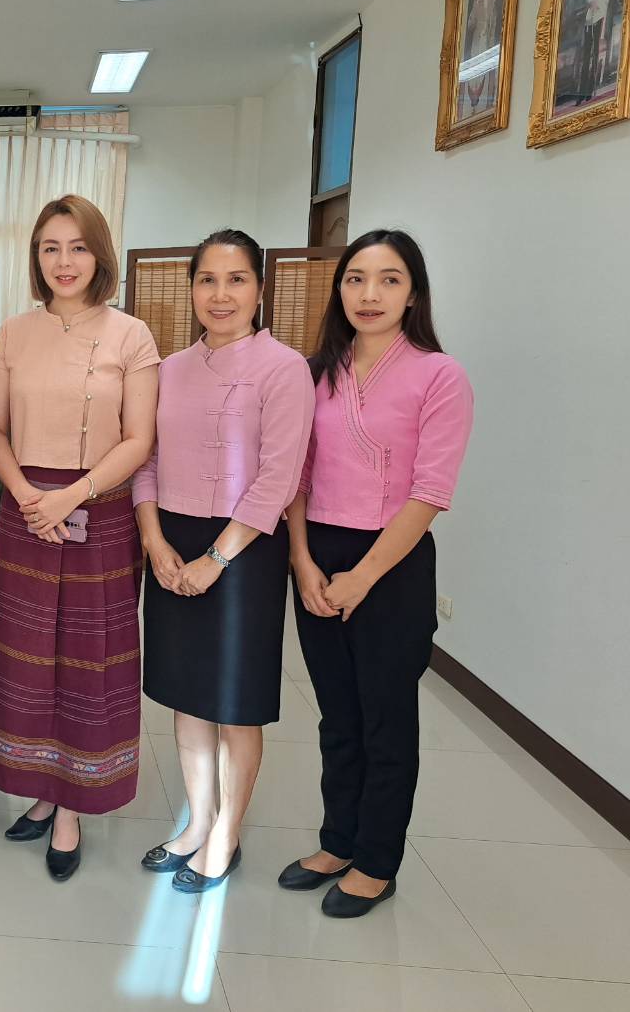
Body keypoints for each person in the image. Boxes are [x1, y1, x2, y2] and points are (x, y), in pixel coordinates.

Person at [278, 229, 473, 918]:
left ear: (412, 292)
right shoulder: (315, 372)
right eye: (356, 278)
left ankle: (378, 860)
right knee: (337, 714)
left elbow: (429, 492)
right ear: (339, 289)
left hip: (390, 562)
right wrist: (301, 561)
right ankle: (337, 841)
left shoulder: (438, 375)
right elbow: (292, 477)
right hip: (315, 551)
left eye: (388, 280)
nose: (369, 294)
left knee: (385, 717)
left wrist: (360, 578)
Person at [0, 194, 159, 881]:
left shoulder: (129, 335)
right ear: (36, 256)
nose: (63, 261)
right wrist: (27, 495)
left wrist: (71, 495)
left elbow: (139, 438)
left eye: (77, 246)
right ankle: (38, 785)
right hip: (26, 512)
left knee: (90, 658)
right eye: (50, 247)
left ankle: (71, 806)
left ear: (99, 255)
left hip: (99, 512)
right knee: (25, 656)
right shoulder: (14, 333)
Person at [133, 229, 314, 893]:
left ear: (259, 289)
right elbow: (145, 459)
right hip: (172, 540)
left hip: (244, 550)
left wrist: (214, 557)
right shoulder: (170, 368)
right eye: (207, 279)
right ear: (190, 288)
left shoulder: (282, 367)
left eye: (236, 279)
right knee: (187, 698)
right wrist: (153, 541)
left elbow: (279, 476)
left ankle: (225, 834)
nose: (220, 293)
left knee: (233, 704)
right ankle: (194, 821)